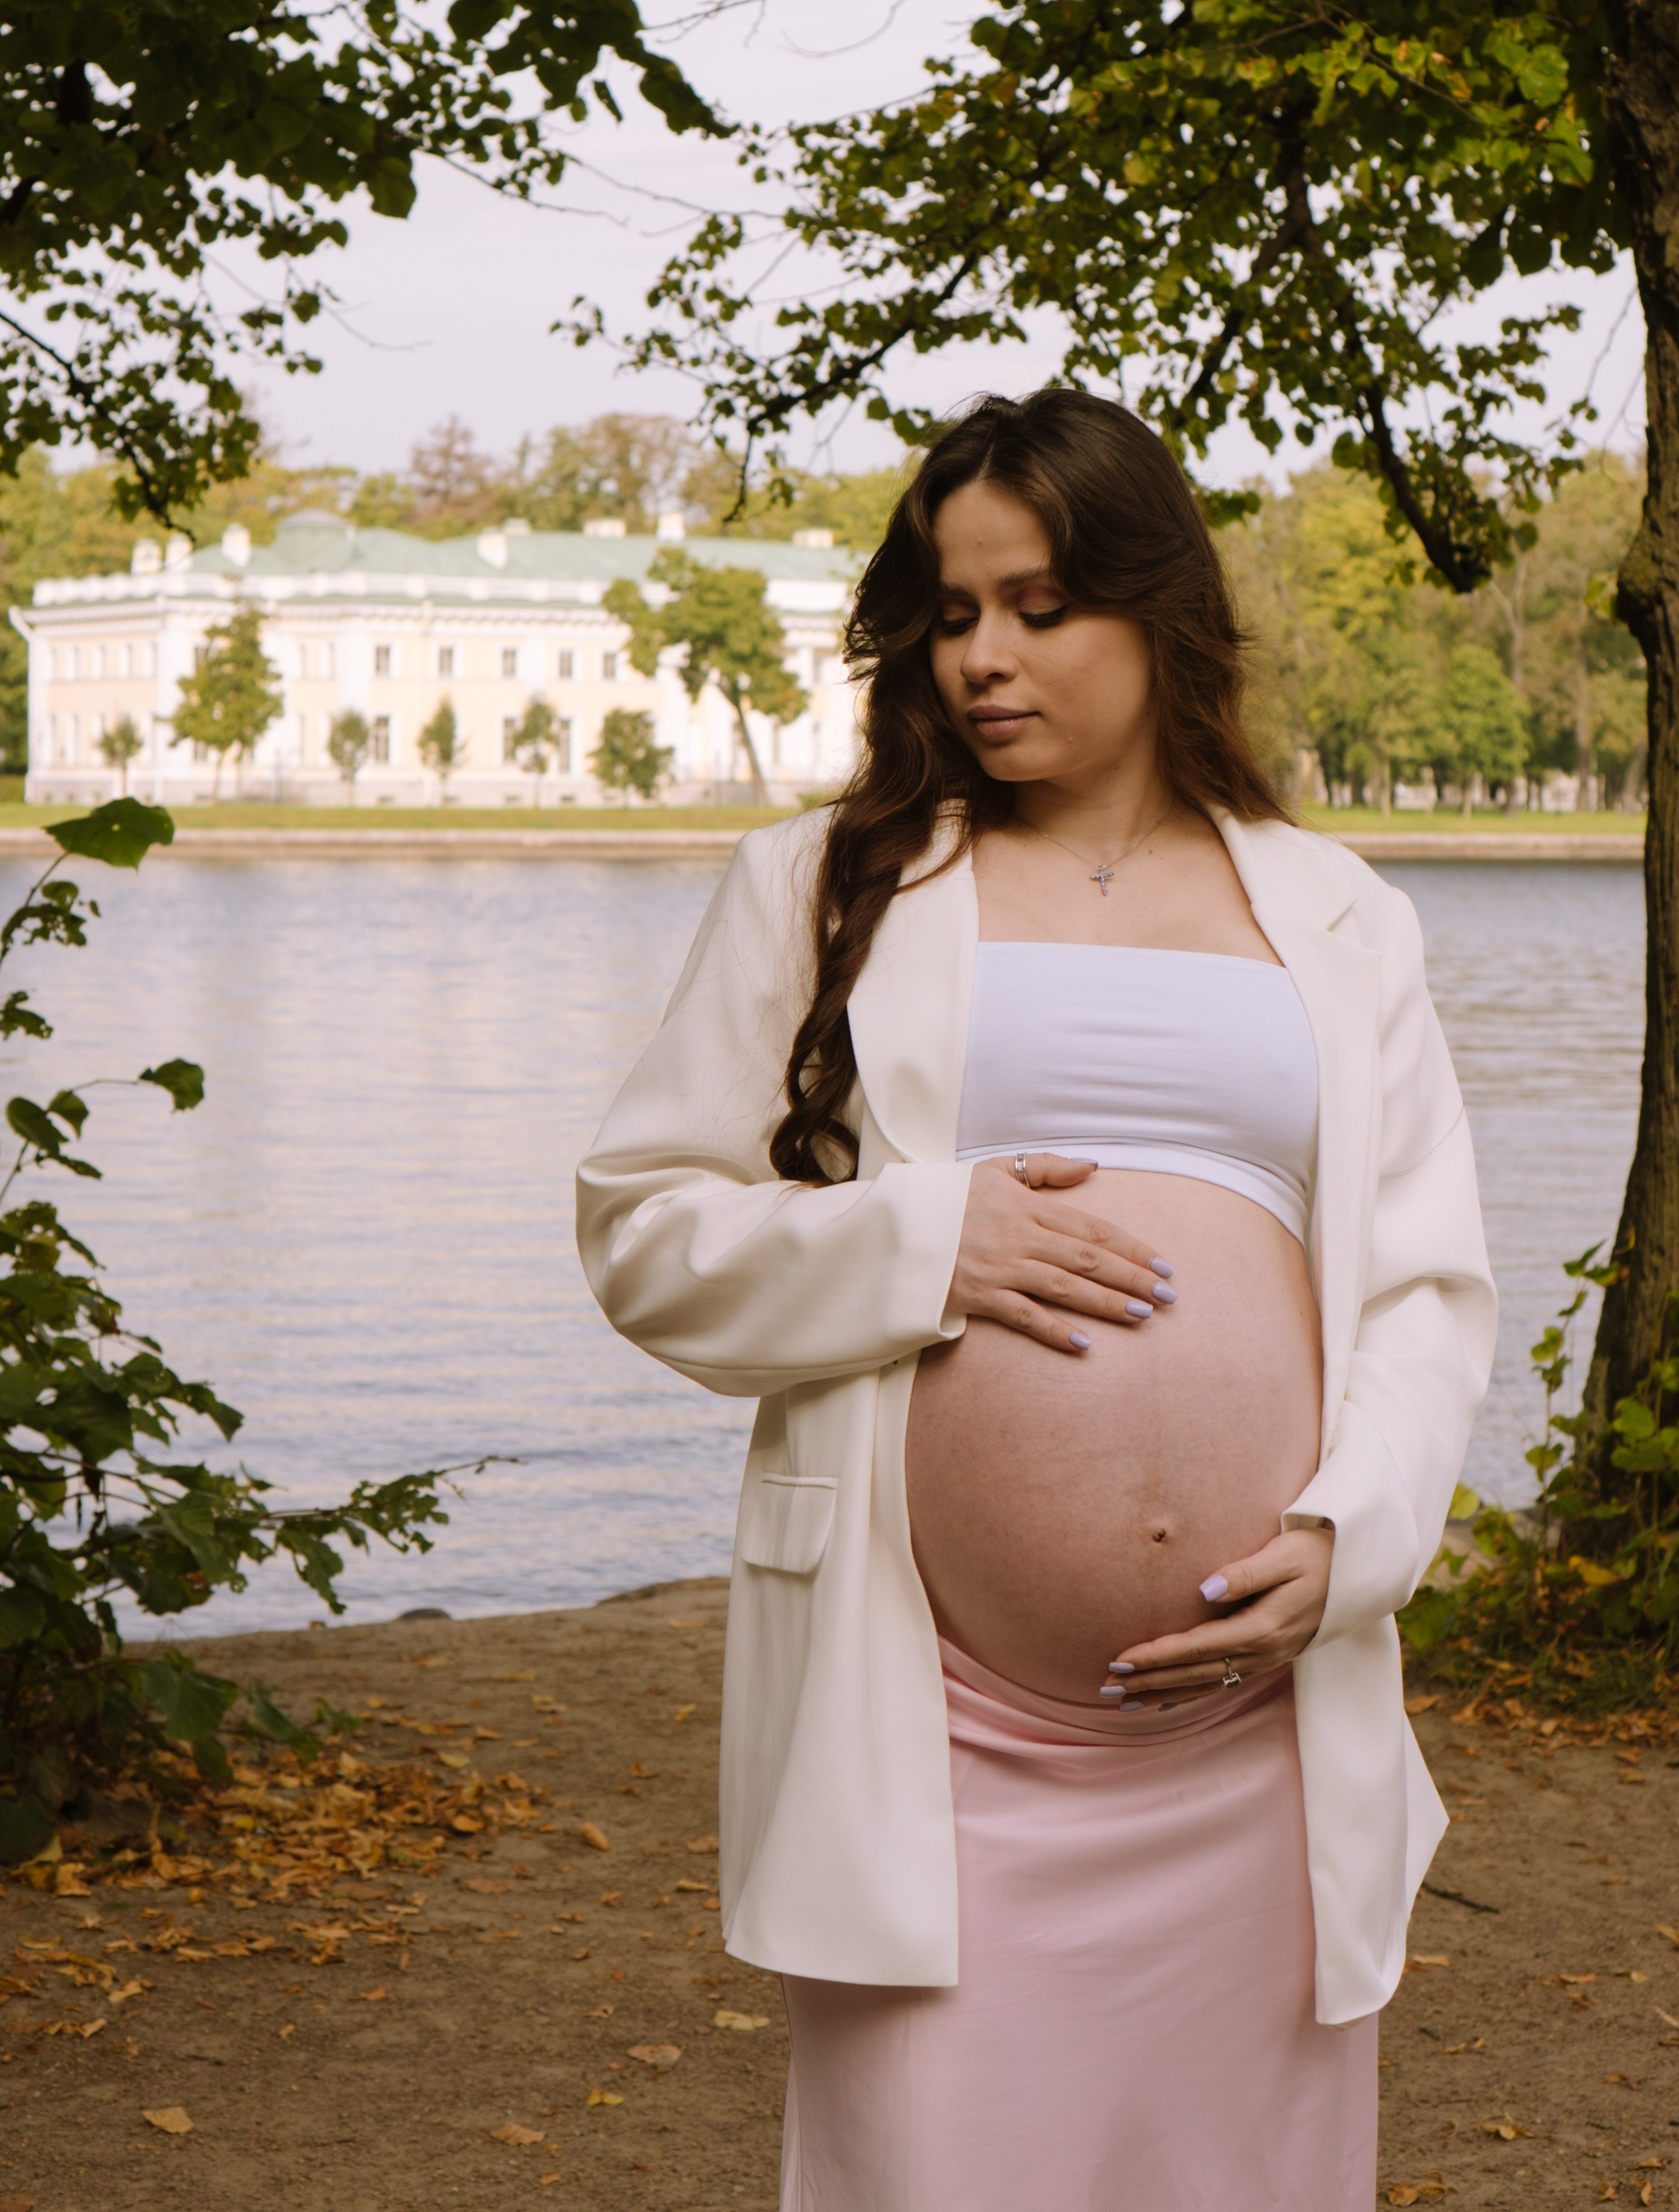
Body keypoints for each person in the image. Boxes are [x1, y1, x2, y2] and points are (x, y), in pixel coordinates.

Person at [576, 388, 1497, 2212]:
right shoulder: (830, 886)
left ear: (1159, 611)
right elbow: (643, 1232)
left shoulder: (1333, 913)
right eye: (948, 611)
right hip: (933, 1735)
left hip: (1254, 1746)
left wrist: (1351, 1536)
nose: (983, 658)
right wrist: (926, 1246)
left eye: (1037, 607)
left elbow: (1422, 1289)